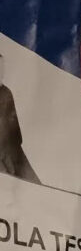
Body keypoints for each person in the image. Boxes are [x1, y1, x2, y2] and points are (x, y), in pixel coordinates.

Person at [0, 52, 41, 183]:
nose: (1, 72)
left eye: (2, 68)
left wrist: (15, 148)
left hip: (13, 149)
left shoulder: (6, 92)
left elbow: (15, 130)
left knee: (33, 183)